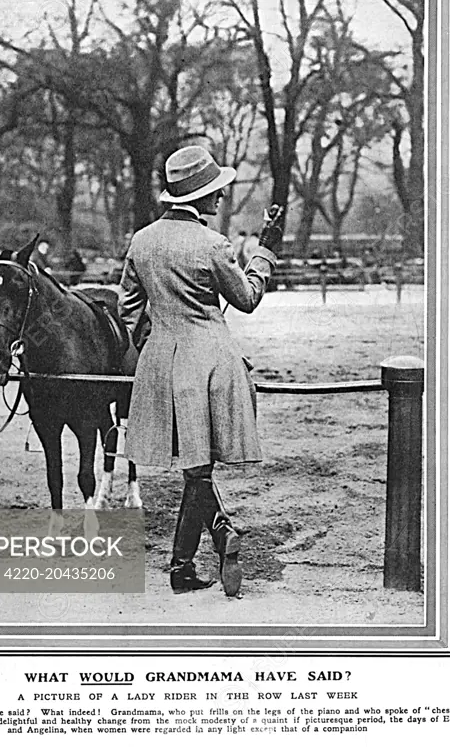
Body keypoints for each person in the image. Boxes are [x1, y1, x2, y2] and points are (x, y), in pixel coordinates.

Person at [118, 145, 284, 597]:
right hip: (208, 361)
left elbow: (128, 310)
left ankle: (191, 560)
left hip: (159, 363)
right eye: (216, 192)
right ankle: (199, 550)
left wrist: (155, 344)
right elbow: (247, 298)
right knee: (200, 468)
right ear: (199, 197)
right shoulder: (213, 244)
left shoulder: (142, 240)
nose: (221, 199)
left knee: (195, 468)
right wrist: (266, 252)